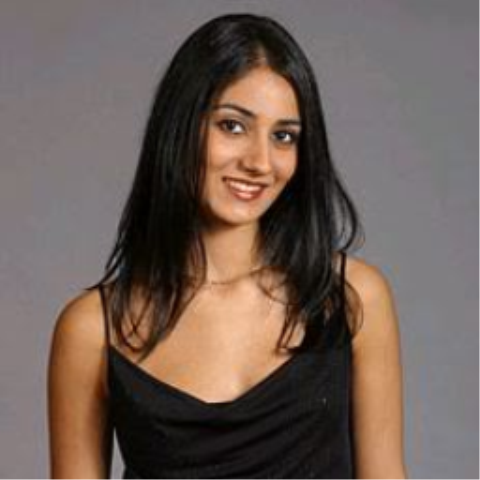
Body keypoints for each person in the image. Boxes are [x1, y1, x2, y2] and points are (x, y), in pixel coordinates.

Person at [47, 13, 407, 479]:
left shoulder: (351, 298)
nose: (260, 162)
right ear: (180, 125)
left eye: (284, 136)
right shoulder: (92, 331)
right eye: (233, 126)